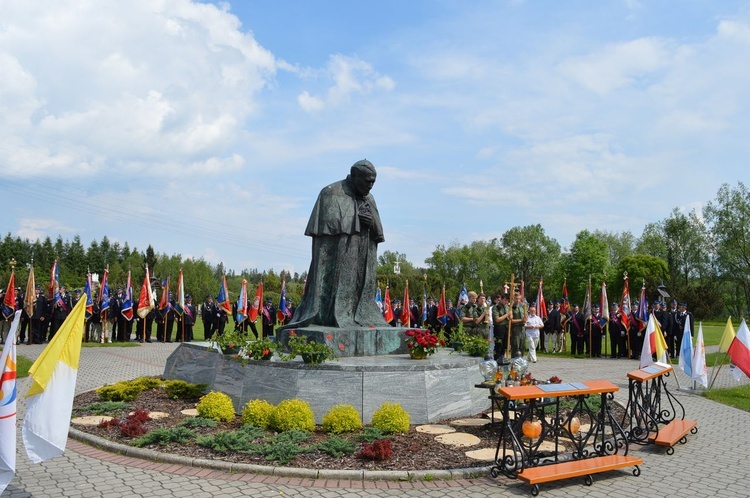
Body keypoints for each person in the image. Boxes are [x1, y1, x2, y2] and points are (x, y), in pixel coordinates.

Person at [282, 160, 386, 329]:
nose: (371, 185)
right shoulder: (331, 193)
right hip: (338, 258)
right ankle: (332, 314)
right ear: (354, 175)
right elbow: (324, 239)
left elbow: (378, 231)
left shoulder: (369, 198)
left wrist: (370, 222)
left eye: (373, 181)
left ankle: (358, 315)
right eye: (367, 181)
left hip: (362, 256)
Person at [492, 293, 510, 361]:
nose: (506, 302)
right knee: (498, 345)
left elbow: (509, 317)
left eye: (507, 301)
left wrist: (510, 316)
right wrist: (507, 315)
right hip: (499, 328)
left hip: (506, 327)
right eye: (505, 300)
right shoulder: (496, 307)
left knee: (504, 345)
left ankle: (502, 358)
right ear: (501, 299)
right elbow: (497, 319)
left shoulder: (507, 307)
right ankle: (496, 359)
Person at [510, 291, 527, 356]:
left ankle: (521, 360)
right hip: (515, 328)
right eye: (516, 299)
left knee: (522, 346)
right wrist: (521, 320)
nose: (517, 300)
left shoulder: (522, 307)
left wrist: (525, 318)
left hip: (522, 328)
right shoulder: (511, 308)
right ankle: (514, 361)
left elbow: (525, 316)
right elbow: (511, 321)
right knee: (515, 346)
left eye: (519, 299)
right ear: (513, 299)